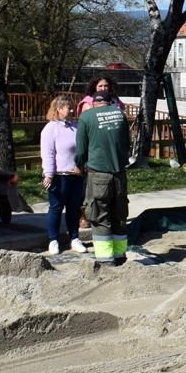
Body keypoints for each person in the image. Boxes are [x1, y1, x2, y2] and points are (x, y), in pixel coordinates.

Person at [75, 90, 131, 265]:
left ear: (93, 102)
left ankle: (106, 260)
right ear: (110, 102)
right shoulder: (121, 115)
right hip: (119, 175)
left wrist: (78, 165)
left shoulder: (87, 117)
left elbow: (81, 150)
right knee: (119, 215)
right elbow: (126, 144)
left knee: (100, 217)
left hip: (98, 175)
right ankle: (120, 255)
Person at [40, 95, 86, 256]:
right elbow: (48, 153)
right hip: (59, 176)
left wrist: (82, 166)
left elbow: (82, 149)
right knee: (56, 208)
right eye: (67, 107)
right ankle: (53, 240)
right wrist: (49, 174)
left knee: (74, 208)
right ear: (58, 109)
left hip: (76, 175)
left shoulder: (76, 126)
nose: (71, 110)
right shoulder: (50, 128)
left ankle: (74, 238)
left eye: (72, 107)